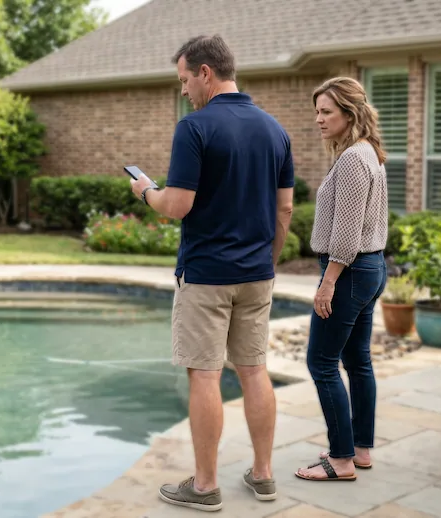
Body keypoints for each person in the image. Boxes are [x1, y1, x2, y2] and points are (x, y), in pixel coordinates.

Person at [129, 34, 295, 511]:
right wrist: (269, 262)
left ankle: (204, 487)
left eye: (185, 80)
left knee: (204, 377)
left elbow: (177, 205)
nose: (184, 91)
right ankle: (263, 476)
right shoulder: (275, 130)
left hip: (206, 276)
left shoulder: (194, 128)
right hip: (257, 275)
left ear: (205, 73)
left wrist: (145, 191)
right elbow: (284, 210)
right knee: (254, 370)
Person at [293, 77, 389, 482]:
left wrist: (328, 281)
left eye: (326, 111)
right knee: (357, 362)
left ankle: (341, 459)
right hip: (370, 268)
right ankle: (360, 450)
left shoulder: (352, 159)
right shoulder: (369, 153)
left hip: (348, 271)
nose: (318, 119)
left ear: (350, 113)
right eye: (317, 111)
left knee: (321, 362)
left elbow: (347, 233)